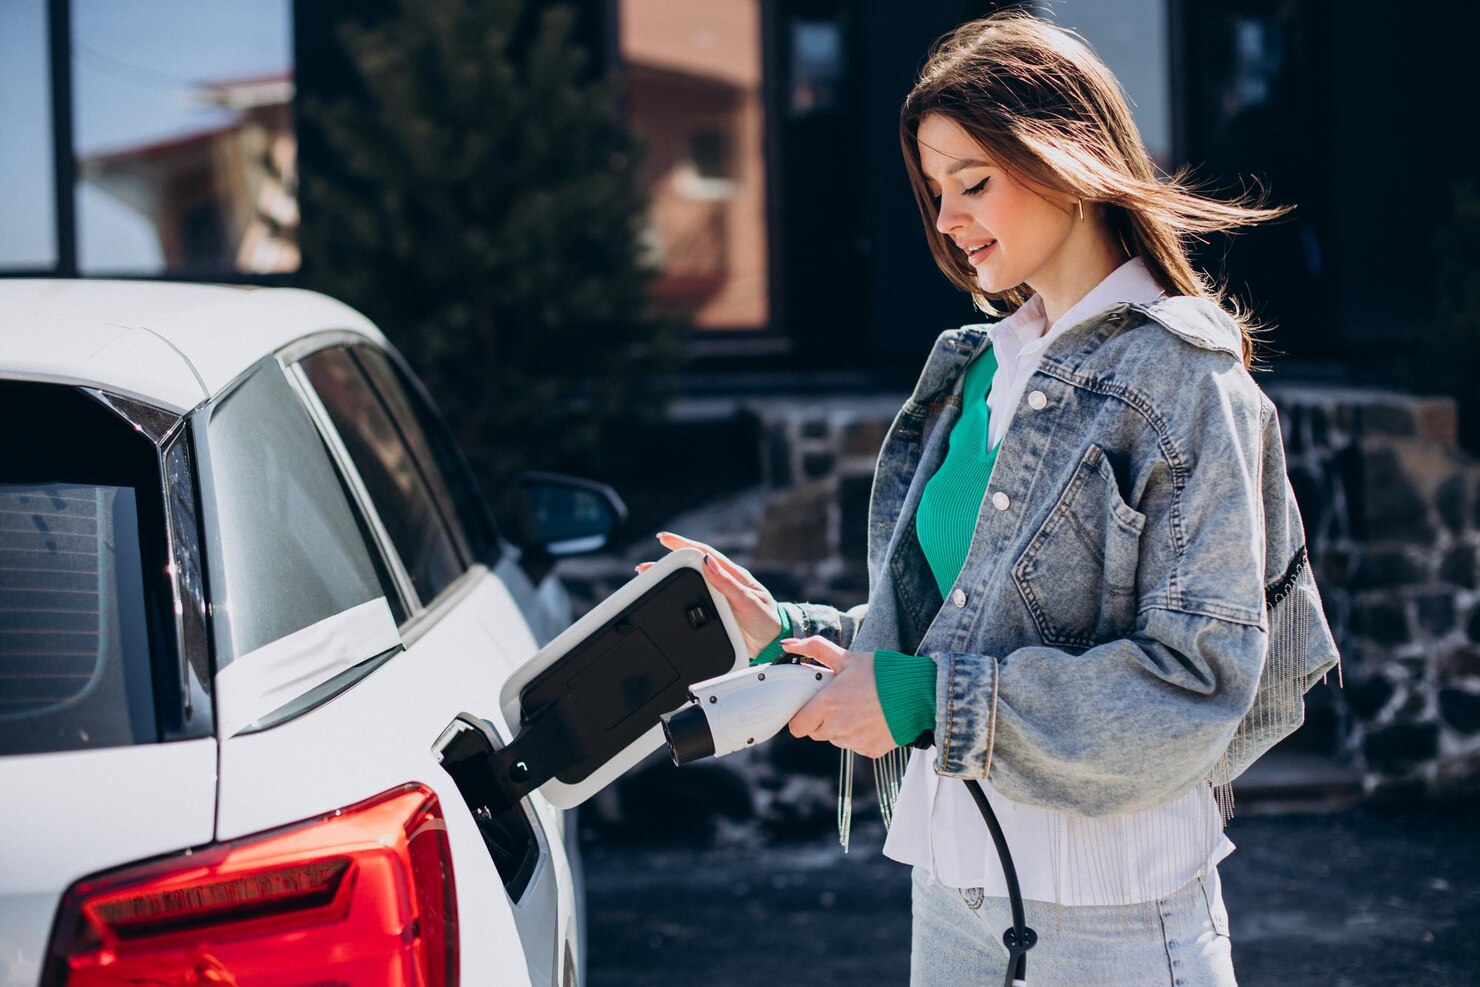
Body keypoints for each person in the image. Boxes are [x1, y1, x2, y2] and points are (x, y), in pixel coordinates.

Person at [640, 11, 1339, 985]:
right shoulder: (978, 372)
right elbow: (967, 631)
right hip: (952, 891)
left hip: (1116, 923)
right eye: (934, 192)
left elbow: (1199, 686)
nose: (947, 219)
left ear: (1069, 158)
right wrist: (802, 635)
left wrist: (929, 702)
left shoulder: (1187, 385)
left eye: (973, 181)